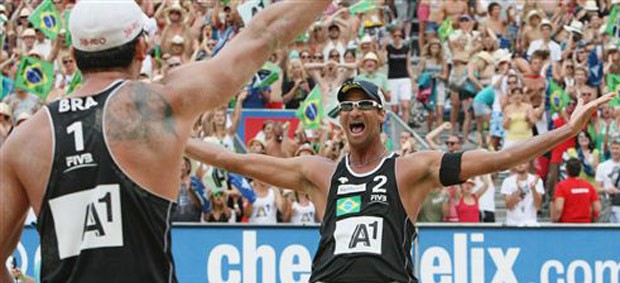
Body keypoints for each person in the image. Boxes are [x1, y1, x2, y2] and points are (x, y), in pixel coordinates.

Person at [0, 0, 332, 281]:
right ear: (142, 48)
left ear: (74, 51)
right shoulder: (160, 107)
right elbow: (265, 32)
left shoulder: (25, 141)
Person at [186, 79, 613, 282]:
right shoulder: (317, 172)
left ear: (379, 115)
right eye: (346, 107)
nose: (354, 111)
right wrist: (171, 140)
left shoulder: (409, 170)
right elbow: (231, 159)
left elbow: (497, 158)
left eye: (364, 105)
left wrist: (568, 132)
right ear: (340, 121)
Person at [552, 158, 601, 223]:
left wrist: (554, 221)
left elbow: (559, 208)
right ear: (580, 170)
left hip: (566, 226)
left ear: (567, 170)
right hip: (586, 225)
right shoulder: (589, 186)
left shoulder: (561, 186)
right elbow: (597, 208)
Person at [501, 162, 545, 226]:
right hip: (512, 223)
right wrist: (518, 193)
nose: (520, 164)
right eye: (518, 162)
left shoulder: (536, 181)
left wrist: (533, 189)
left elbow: (538, 206)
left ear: (528, 164)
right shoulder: (507, 181)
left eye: (523, 162)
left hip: (531, 223)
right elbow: (509, 206)